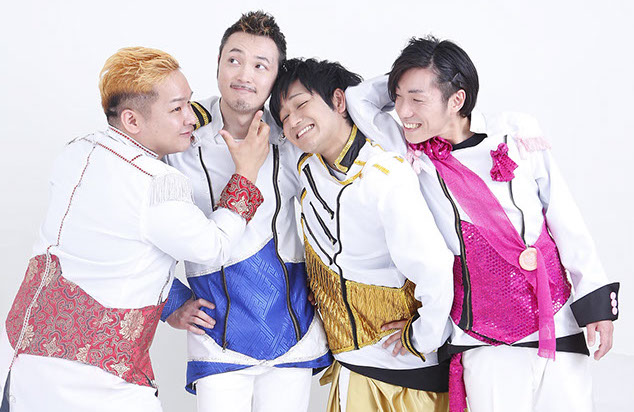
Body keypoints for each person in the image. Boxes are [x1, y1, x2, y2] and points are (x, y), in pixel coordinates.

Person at [345, 36, 620, 412]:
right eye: (397, 98)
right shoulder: (408, 150)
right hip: (481, 336)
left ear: (457, 99)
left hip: (557, 321)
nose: (403, 111)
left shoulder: (515, 131)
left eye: (417, 99)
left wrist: (596, 303)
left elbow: (563, 216)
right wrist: (409, 75)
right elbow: (358, 99)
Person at [0, 46, 269, 411]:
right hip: (94, 383)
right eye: (176, 109)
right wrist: (247, 173)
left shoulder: (76, 151)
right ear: (131, 120)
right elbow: (214, 247)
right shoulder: (157, 183)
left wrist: (171, 303)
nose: (191, 118)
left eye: (189, 103)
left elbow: (114, 252)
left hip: (19, 363)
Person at [161, 11, 331, 412]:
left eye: (260, 66)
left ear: (275, 78)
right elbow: (133, 221)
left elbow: (339, 210)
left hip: (292, 329)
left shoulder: (294, 133)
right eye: (234, 60)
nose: (244, 75)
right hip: (217, 333)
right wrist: (170, 302)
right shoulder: (178, 131)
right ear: (218, 64)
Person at [269, 57, 454, 412]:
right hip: (350, 365)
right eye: (284, 117)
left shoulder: (384, 172)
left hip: (409, 372)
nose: (292, 122)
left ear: (339, 101)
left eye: (301, 105)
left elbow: (434, 266)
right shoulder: (303, 164)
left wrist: (423, 336)